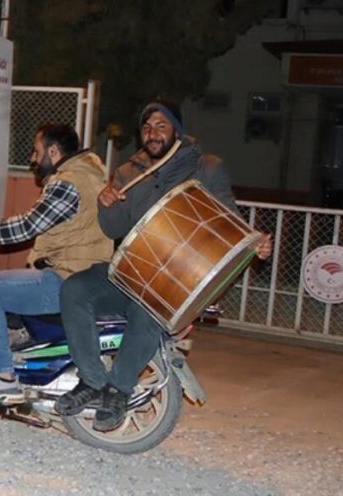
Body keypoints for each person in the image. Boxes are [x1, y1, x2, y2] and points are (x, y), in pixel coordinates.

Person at [54, 100, 273, 430]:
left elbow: (230, 220)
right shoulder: (129, 172)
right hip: (127, 273)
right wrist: (106, 205)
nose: (152, 133)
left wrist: (256, 244)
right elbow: (114, 229)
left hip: (171, 283)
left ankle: (119, 389)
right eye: (146, 127)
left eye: (161, 125)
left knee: (150, 307)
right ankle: (92, 380)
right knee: (75, 289)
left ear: (177, 130)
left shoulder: (205, 168)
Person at [0, 124, 112, 405]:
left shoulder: (68, 182)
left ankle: (2, 376)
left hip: (66, 278)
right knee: (10, 286)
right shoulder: (90, 175)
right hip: (82, 274)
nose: (33, 159)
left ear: (53, 151)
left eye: (37, 152)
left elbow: (27, 226)